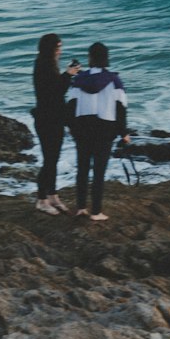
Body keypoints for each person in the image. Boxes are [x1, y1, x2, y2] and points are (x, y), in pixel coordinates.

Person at [68, 41, 129, 222]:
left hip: (83, 128)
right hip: (105, 128)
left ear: (90, 58)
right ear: (106, 58)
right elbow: (121, 108)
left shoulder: (78, 80)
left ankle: (80, 208)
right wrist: (123, 132)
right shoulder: (114, 80)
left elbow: (70, 106)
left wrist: (72, 128)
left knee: (82, 168)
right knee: (99, 172)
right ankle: (96, 212)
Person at [32, 33, 81, 215]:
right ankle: (41, 199)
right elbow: (55, 92)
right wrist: (68, 74)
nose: (60, 50)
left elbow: (54, 88)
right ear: (50, 49)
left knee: (53, 158)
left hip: (52, 118)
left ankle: (52, 196)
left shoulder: (46, 63)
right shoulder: (44, 65)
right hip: (47, 119)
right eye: (58, 47)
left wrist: (66, 74)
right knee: (50, 160)